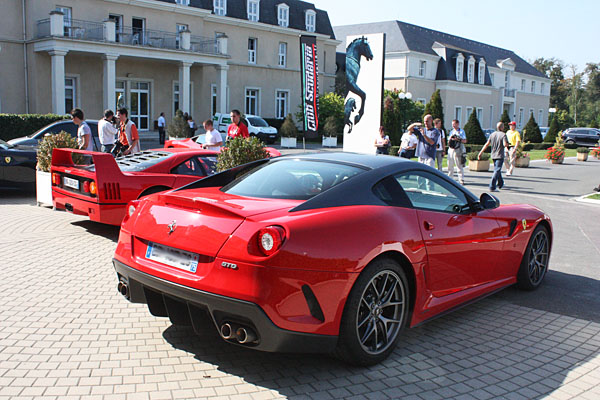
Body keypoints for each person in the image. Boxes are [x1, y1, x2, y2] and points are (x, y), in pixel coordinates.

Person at [478, 122, 509, 192]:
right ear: (501, 128)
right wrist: (507, 144)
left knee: (497, 169)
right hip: (499, 155)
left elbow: (487, 144)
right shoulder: (503, 135)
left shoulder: (492, 134)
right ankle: (492, 186)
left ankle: (501, 183)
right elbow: (505, 144)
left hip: (493, 155)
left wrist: (480, 152)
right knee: (497, 170)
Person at [447, 119, 467, 185]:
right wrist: (450, 139)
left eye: (454, 124)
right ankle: (450, 178)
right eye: (452, 124)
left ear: (457, 124)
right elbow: (448, 140)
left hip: (458, 149)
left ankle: (461, 179)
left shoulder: (461, 131)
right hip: (451, 149)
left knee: (459, 164)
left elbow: (465, 140)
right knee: (450, 165)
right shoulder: (451, 131)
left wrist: (458, 138)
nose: (453, 126)